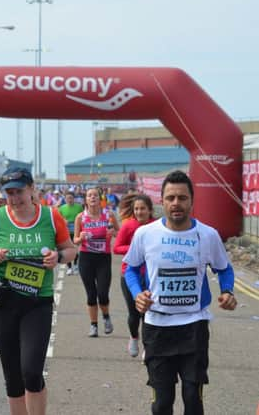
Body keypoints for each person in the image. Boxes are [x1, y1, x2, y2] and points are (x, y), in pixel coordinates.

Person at [123, 170, 237, 415]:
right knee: (162, 403)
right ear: (162, 201)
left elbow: (224, 269)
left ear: (191, 201)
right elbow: (130, 269)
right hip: (157, 327)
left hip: (193, 326)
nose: (176, 203)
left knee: (192, 399)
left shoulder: (208, 235)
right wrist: (137, 293)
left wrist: (227, 291)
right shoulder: (145, 234)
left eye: (182, 198)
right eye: (170, 198)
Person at [0, 167, 76, 415]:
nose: (15, 198)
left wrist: (57, 256)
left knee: (31, 371)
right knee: (13, 375)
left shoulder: (51, 217)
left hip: (37, 303)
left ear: (31, 190)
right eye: (9, 193)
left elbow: (71, 250)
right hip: (5, 304)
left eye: (19, 192)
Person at [113, 194, 155, 358]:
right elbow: (117, 248)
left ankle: (147, 347)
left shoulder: (156, 226)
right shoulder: (128, 226)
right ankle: (133, 338)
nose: (139, 212)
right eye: (136, 208)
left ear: (150, 210)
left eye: (142, 208)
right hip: (129, 275)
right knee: (134, 312)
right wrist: (136, 249)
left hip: (151, 276)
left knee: (147, 312)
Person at [73, 187, 119, 337]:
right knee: (91, 294)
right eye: (89, 195)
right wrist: (81, 238)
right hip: (86, 258)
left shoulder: (109, 215)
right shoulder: (81, 217)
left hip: (103, 258)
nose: (92, 197)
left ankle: (106, 317)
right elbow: (75, 240)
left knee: (103, 293)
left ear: (100, 199)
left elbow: (119, 233)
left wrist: (113, 233)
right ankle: (94, 325)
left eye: (95, 195)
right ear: (86, 199)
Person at [58, 192, 84, 275]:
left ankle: (76, 265)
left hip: (76, 230)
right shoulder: (62, 208)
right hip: (66, 231)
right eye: (67, 198)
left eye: (71, 198)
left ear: (74, 198)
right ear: (65, 199)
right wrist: (63, 221)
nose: (69, 200)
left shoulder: (79, 207)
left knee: (75, 250)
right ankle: (69, 267)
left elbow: (83, 218)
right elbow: (58, 219)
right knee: (67, 250)